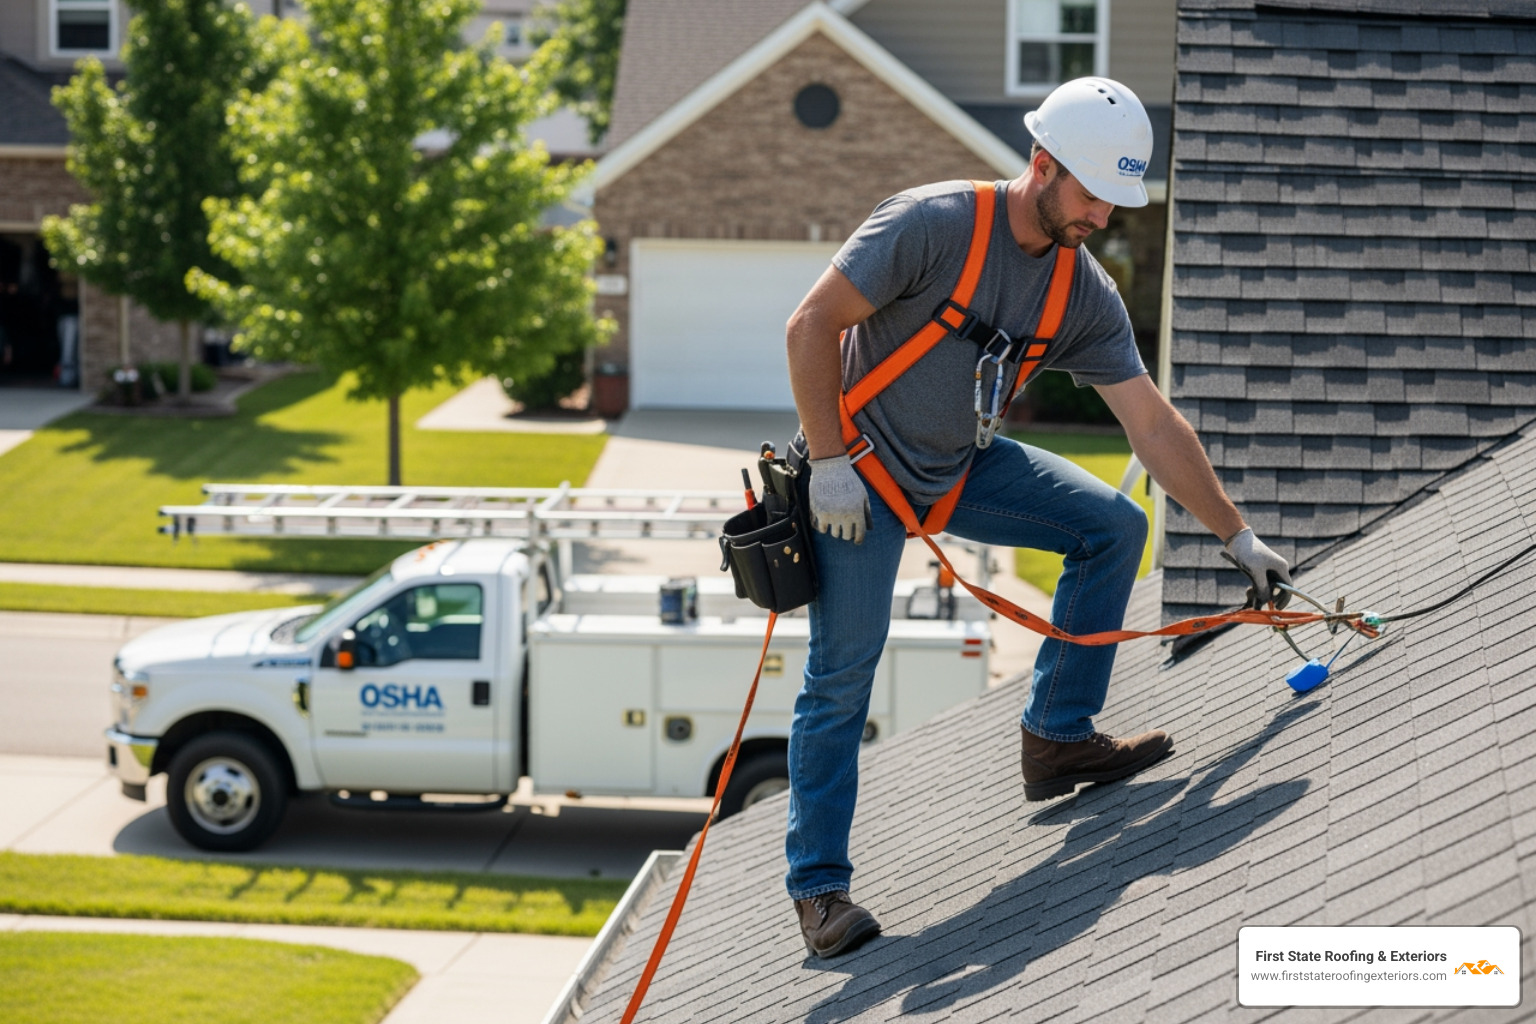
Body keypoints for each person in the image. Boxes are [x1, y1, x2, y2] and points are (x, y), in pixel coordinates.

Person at [781, 77, 1292, 959]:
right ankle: (819, 890)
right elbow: (809, 325)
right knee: (841, 676)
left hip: (959, 467)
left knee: (1114, 527)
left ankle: (1057, 739)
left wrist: (1237, 536)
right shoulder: (931, 225)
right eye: (1092, 195)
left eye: (1115, 202)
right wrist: (827, 464)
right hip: (857, 479)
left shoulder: (1080, 291)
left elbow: (1151, 424)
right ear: (1043, 164)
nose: (1102, 217)